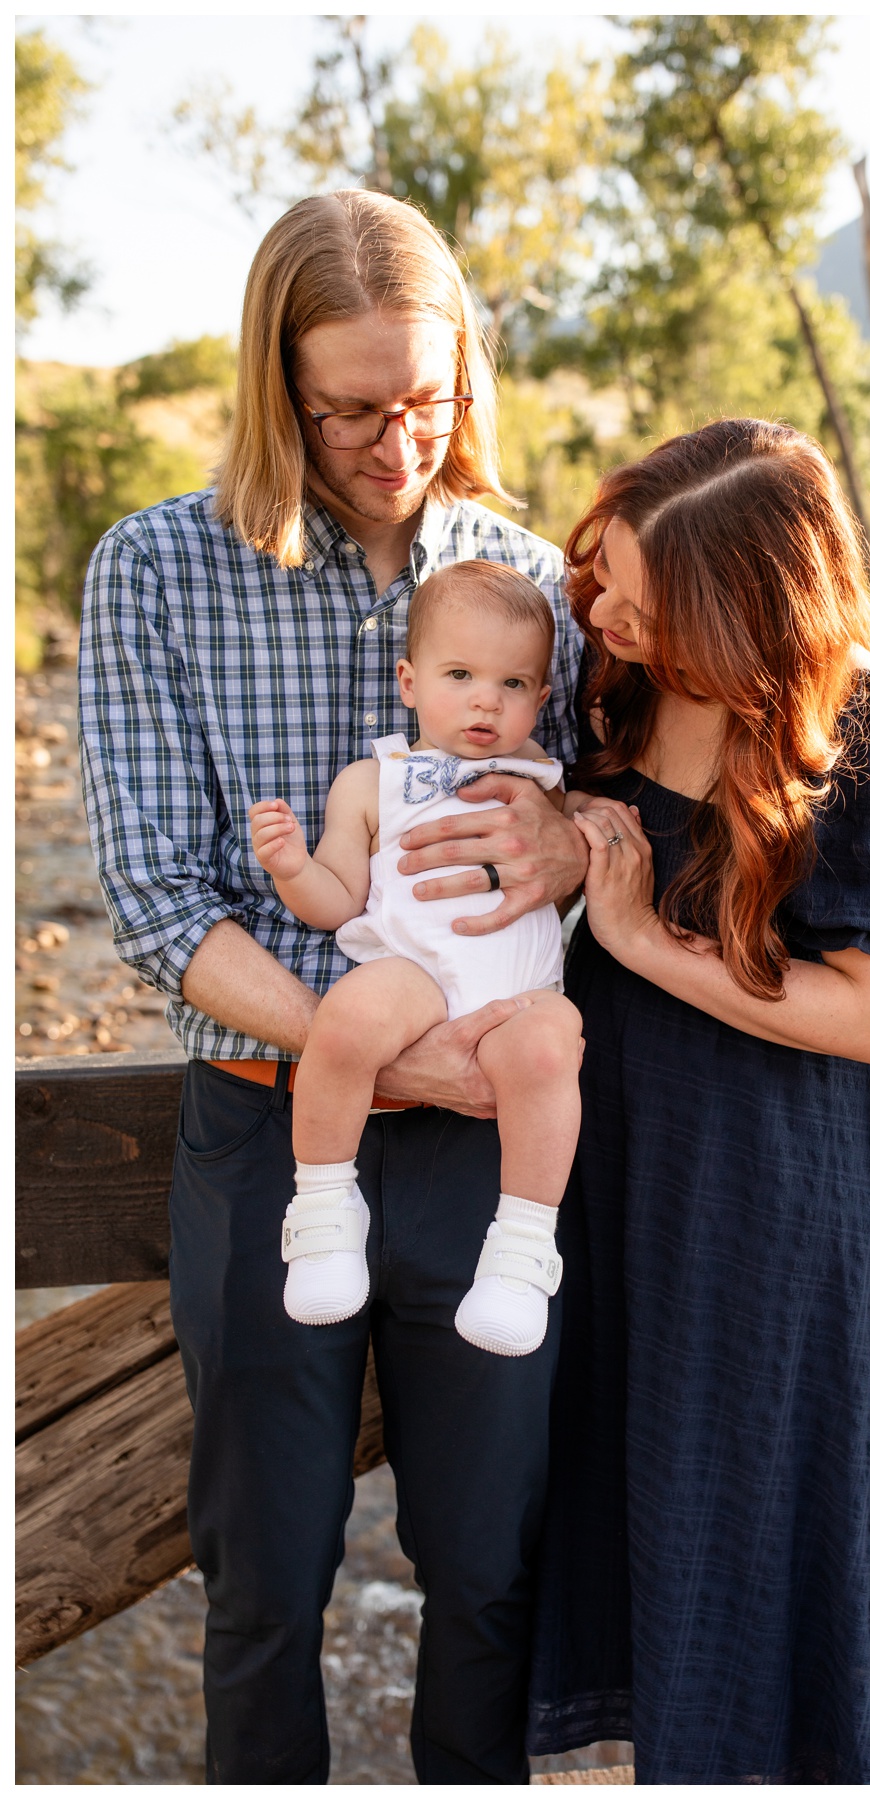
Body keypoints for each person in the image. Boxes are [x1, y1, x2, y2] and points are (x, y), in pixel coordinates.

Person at [80, 190, 588, 1780]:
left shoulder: (534, 577)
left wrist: (574, 845)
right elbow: (163, 901)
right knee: (265, 1584)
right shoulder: (156, 573)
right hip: (266, 1130)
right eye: (352, 407)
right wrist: (374, 1055)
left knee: (493, 1571)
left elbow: (632, 805)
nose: (395, 439)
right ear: (277, 384)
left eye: (426, 398)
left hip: (485, 1155)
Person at [526, 419, 870, 1782]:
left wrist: (647, 941)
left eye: (644, 603)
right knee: (631, 1511)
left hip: (777, 1190)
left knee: (761, 1525)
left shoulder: (869, 731)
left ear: (742, 608)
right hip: (616, 1176)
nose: (601, 611)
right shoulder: (607, 685)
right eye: (604, 574)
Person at [248, 560, 584, 1355]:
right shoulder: (372, 782)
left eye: (512, 683)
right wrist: (294, 868)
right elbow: (338, 901)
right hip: (414, 976)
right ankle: (326, 1208)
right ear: (409, 681)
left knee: (550, 1049)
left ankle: (522, 1249)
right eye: (460, 674)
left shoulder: (545, 783)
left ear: (540, 700)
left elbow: (581, 869)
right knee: (346, 1018)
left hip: (518, 991)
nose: (483, 699)